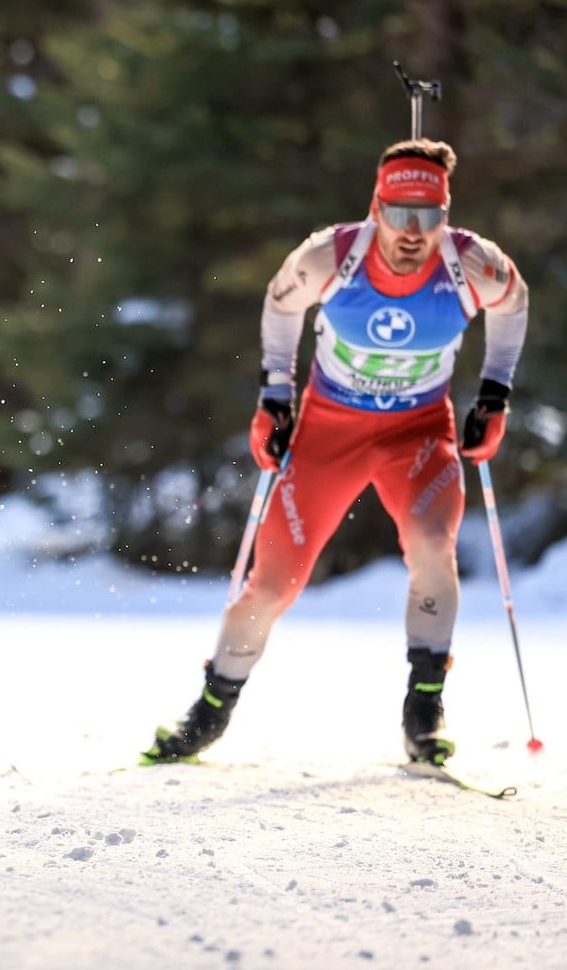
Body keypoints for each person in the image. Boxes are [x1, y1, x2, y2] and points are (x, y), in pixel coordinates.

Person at [143, 138, 528, 767]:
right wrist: (276, 395)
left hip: (418, 433)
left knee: (434, 547)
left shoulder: (470, 265)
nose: (412, 232)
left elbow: (515, 303)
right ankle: (209, 714)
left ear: (446, 216)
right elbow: (279, 304)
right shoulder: (332, 257)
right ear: (375, 207)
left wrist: (495, 393)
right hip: (330, 434)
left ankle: (423, 710)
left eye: (428, 216)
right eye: (398, 214)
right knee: (273, 584)